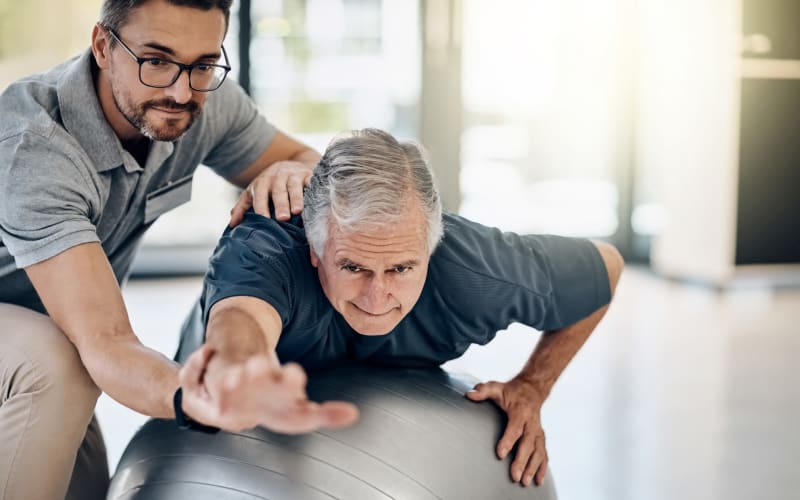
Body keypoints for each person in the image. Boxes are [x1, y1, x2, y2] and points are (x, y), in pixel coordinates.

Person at [0, 1, 356, 499]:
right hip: (37, 342)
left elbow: (307, 161)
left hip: (57, 330)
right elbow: (107, 341)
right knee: (57, 364)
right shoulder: (35, 148)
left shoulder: (205, 101)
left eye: (203, 64)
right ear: (103, 46)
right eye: (157, 60)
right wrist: (202, 397)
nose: (180, 90)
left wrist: (289, 171)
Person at [178, 128, 625, 489]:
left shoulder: (474, 269)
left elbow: (606, 267)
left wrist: (532, 386)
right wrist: (241, 367)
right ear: (314, 248)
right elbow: (241, 321)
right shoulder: (267, 247)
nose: (376, 298)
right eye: (352, 265)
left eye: (401, 268)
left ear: (432, 248)